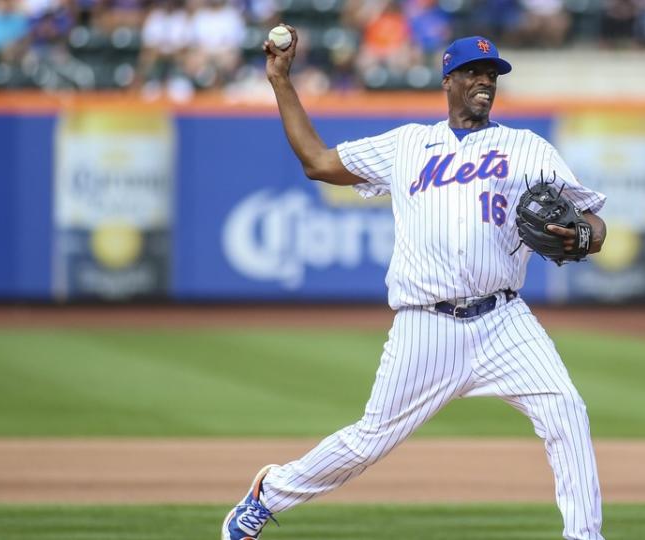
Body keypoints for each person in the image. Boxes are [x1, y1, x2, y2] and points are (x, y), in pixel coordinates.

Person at [221, 28, 609, 540]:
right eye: (473, 73)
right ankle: (268, 495)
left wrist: (583, 234)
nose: (484, 83)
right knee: (369, 442)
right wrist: (280, 80)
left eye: (491, 75)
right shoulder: (407, 145)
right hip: (427, 325)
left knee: (566, 411)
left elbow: (594, 224)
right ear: (448, 79)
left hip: (504, 320)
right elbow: (317, 161)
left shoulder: (525, 148)